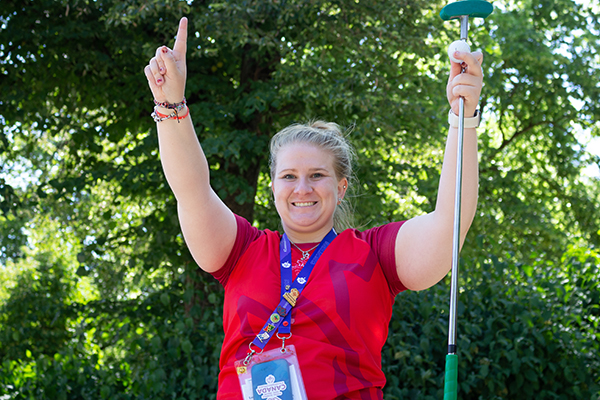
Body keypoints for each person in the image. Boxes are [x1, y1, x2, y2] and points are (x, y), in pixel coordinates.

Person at [144, 16, 483, 400]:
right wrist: (170, 104)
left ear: (341, 188)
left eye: (317, 175)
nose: (302, 188)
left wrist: (463, 116)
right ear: (273, 187)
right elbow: (191, 190)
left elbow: (449, 223)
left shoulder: (375, 255)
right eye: (289, 176)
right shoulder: (241, 251)